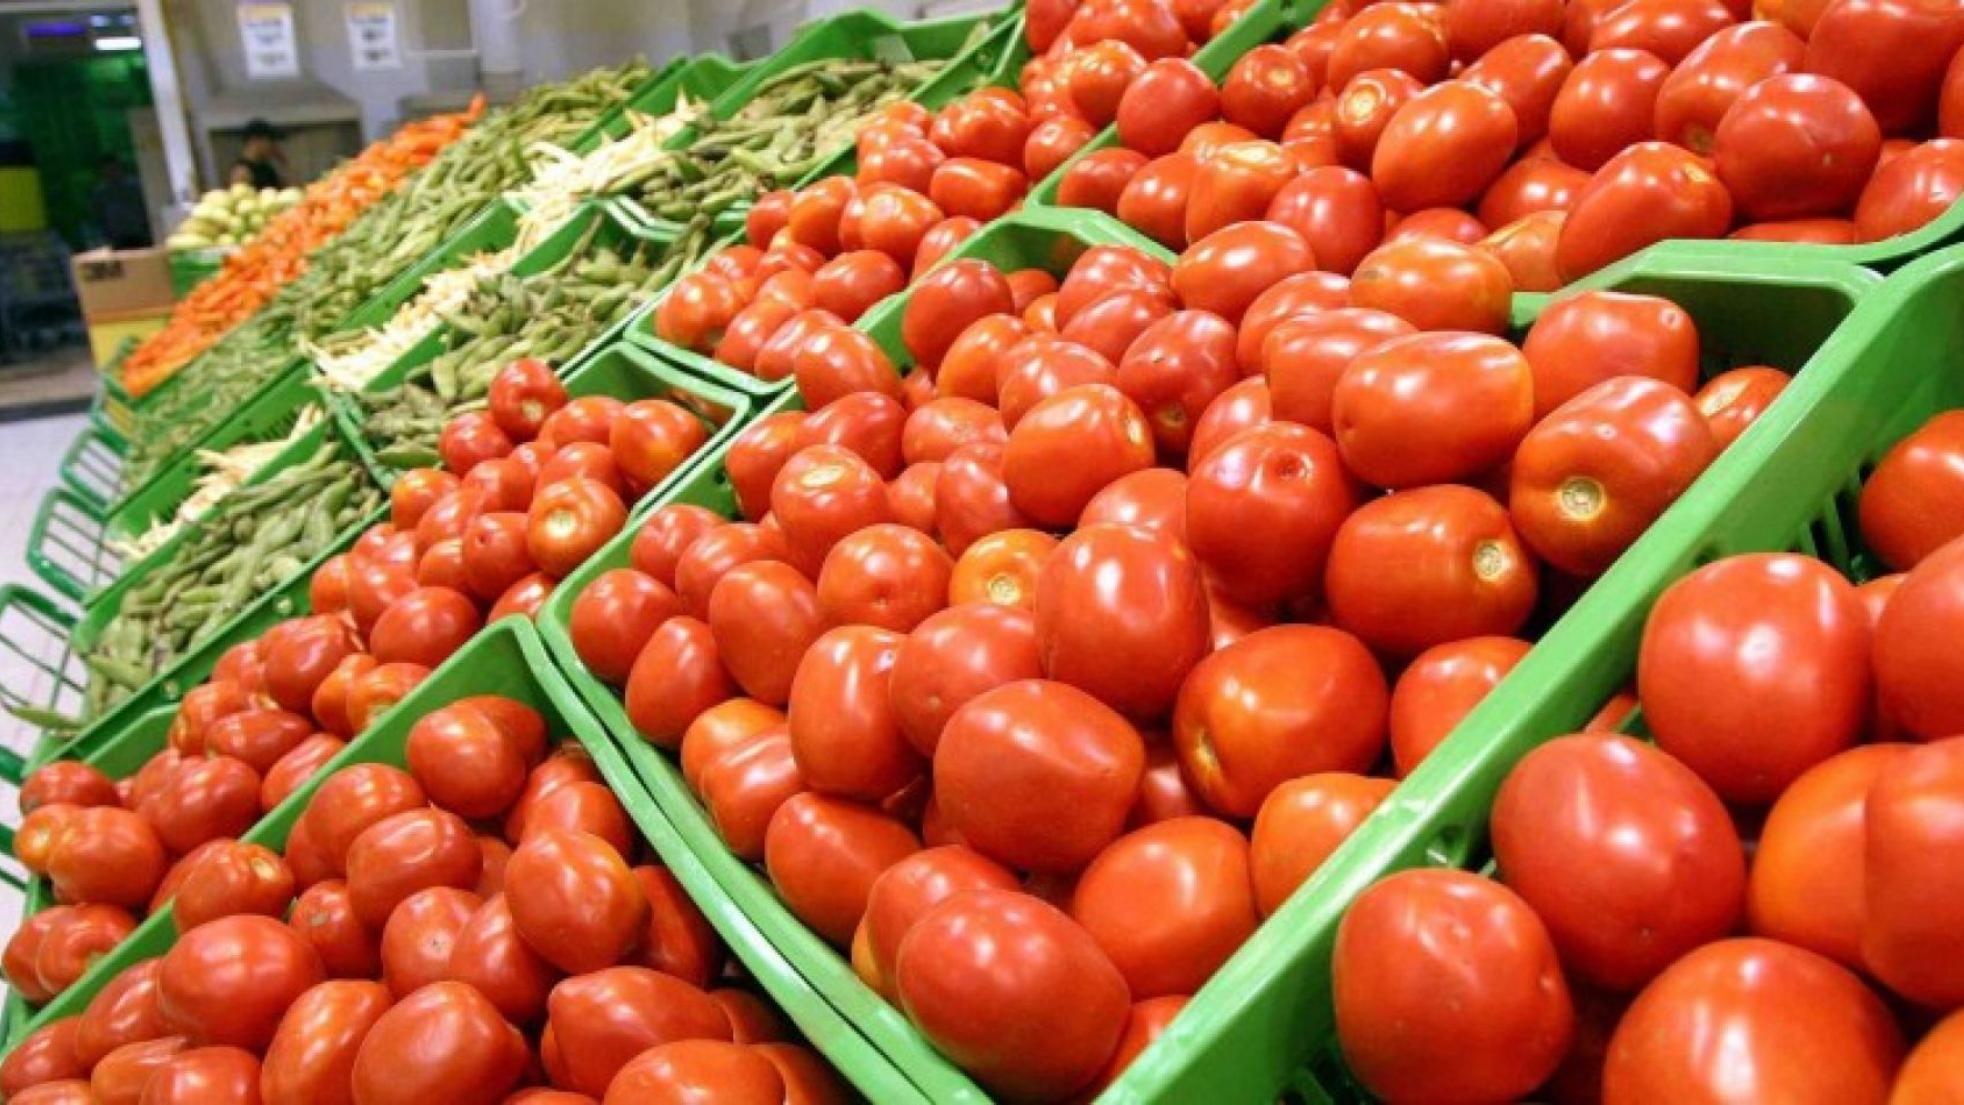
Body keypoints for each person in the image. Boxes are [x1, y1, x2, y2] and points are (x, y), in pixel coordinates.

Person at [92, 156, 151, 249]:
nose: (111, 172)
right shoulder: (101, 193)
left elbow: (145, 208)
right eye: (107, 170)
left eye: (113, 169)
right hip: (117, 238)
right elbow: (100, 216)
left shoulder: (134, 186)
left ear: (119, 168)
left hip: (140, 235)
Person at [230, 119, 287, 189]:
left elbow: (291, 190)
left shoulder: (267, 168)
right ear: (255, 140)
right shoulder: (241, 172)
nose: (273, 146)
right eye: (270, 141)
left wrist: (283, 161)